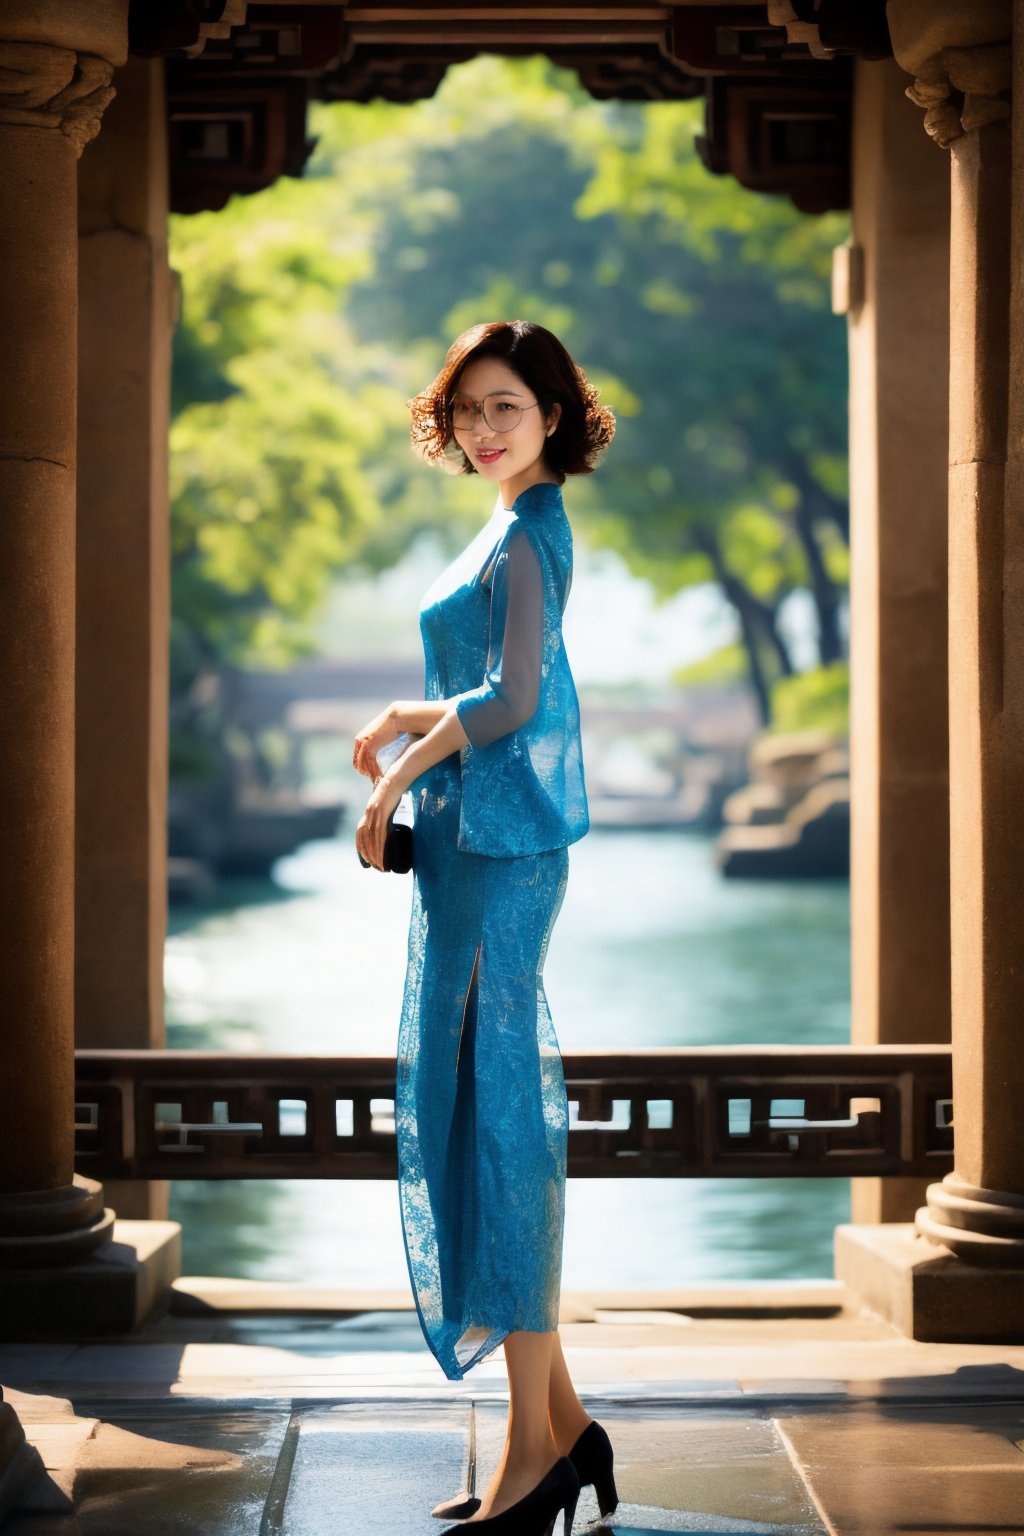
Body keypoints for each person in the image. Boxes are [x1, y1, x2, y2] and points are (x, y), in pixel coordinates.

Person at [353, 320, 616, 1535]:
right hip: (475, 845)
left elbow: (516, 699)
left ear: (553, 414)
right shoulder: (505, 524)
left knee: (503, 1109)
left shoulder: (530, 525)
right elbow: (496, 677)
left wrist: (400, 776)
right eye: (466, 411)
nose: (483, 428)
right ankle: (564, 1430)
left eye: (506, 406)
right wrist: (407, 716)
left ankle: (533, 1461)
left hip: (503, 850)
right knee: (474, 1097)